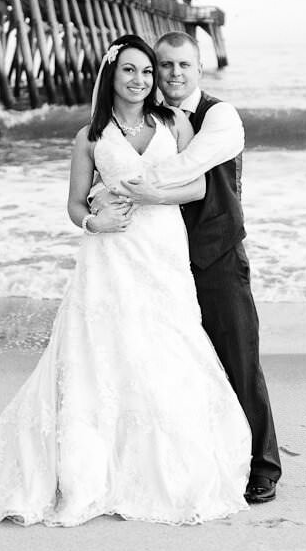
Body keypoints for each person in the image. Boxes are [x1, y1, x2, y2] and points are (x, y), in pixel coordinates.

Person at [0, 34, 252, 527]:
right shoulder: (88, 137)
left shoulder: (174, 122)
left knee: (165, 343)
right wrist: (97, 222)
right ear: (110, 77)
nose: (140, 80)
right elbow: (74, 205)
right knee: (104, 351)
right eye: (129, 71)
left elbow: (196, 184)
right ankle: (95, 469)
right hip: (110, 253)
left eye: (146, 72)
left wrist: (149, 197)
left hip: (161, 249)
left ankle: (162, 464)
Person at [91, 32, 281, 503]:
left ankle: (263, 464)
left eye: (183, 65)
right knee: (170, 363)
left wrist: (134, 185)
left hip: (215, 252)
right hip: (158, 258)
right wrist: (101, 195)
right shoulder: (147, 119)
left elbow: (189, 167)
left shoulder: (219, 116)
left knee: (237, 356)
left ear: (200, 69)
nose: (173, 74)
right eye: (165, 65)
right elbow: (107, 159)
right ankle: (200, 456)